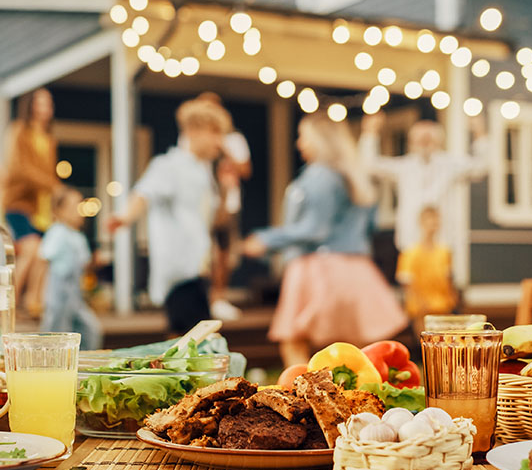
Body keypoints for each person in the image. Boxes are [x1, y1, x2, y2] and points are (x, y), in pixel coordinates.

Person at [242, 115, 408, 367]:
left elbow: (313, 229)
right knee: (353, 354)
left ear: (320, 140)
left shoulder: (319, 176)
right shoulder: (354, 177)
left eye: (303, 136)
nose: (299, 143)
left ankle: (298, 400)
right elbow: (370, 225)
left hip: (319, 268)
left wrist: (266, 239)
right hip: (355, 269)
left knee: (295, 343)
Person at [107, 98, 231, 335]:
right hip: (179, 272)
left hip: (196, 270)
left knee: (187, 339)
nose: (220, 141)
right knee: (202, 341)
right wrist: (124, 217)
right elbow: (144, 193)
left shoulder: (203, 171)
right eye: (215, 133)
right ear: (193, 131)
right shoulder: (169, 165)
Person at [359, 113, 487, 253]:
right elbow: (370, 165)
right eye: (420, 139)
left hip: (443, 241)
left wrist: (480, 133)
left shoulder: (451, 164)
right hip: (410, 241)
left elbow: (481, 167)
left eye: (428, 139)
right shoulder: (404, 166)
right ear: (411, 142)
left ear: (439, 141)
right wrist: (369, 133)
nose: (424, 143)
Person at [190, 92, 251, 322]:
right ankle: (202, 299)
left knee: (223, 253)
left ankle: (219, 298)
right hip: (201, 204)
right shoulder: (190, 139)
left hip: (228, 204)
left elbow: (245, 170)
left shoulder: (233, 139)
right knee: (203, 253)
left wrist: (224, 148)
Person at [2, 87, 57, 316]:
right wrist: (52, 184)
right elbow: (19, 167)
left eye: (48, 103)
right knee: (31, 248)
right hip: (19, 202)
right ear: (30, 105)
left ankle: (34, 302)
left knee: (43, 254)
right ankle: (7, 300)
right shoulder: (19, 131)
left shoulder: (48, 138)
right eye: (39, 103)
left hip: (41, 207)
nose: (44, 108)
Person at [39, 187, 103, 350]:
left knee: (89, 331)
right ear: (59, 210)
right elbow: (43, 261)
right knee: (54, 339)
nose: (79, 211)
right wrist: (36, 295)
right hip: (58, 297)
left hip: (75, 298)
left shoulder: (78, 236)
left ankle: (82, 368)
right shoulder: (57, 232)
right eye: (75, 206)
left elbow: (84, 266)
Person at [396, 206, 457, 336]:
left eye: (436, 220)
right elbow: (407, 282)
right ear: (421, 222)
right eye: (430, 220)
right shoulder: (411, 253)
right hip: (421, 310)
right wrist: (419, 304)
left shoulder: (444, 252)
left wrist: (452, 300)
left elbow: (448, 278)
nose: (433, 224)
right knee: (426, 342)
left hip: (442, 307)